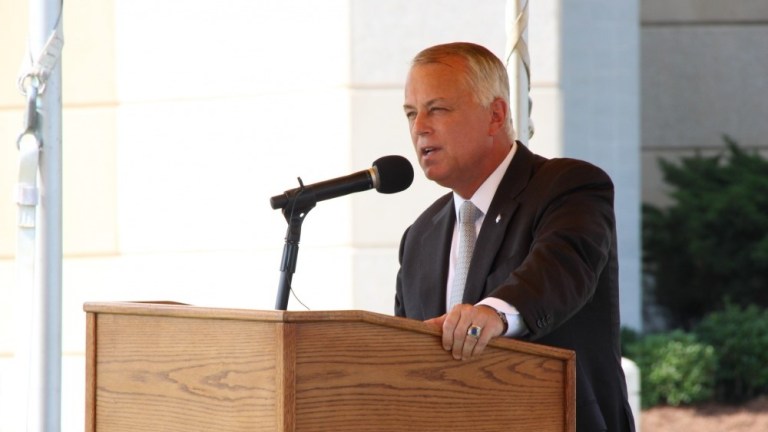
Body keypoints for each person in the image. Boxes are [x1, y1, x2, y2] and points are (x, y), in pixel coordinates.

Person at [395, 42, 636, 431]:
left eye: (437, 109)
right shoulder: (420, 236)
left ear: (495, 114)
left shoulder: (568, 186)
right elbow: (406, 362)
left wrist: (493, 314)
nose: (419, 126)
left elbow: (560, 269)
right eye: (411, 113)